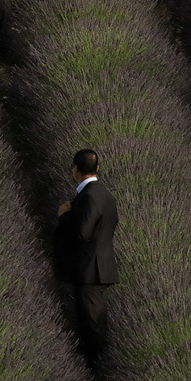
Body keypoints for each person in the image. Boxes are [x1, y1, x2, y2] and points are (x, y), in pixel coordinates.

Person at [54, 147, 118, 362]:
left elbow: (83, 233)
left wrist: (65, 216)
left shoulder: (89, 196)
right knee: (95, 322)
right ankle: (98, 365)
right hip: (99, 268)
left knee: (91, 325)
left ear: (75, 169)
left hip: (90, 270)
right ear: (98, 167)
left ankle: (96, 368)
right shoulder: (106, 195)